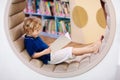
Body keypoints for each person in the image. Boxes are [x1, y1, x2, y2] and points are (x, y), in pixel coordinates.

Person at [23, 17, 104, 64]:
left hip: (50, 52)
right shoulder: (29, 41)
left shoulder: (34, 36)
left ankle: (92, 45)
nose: (39, 32)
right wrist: (45, 52)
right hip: (49, 58)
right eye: (37, 30)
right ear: (29, 30)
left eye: (39, 30)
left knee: (68, 46)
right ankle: (92, 49)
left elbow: (40, 46)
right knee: (70, 50)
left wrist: (50, 45)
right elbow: (33, 55)